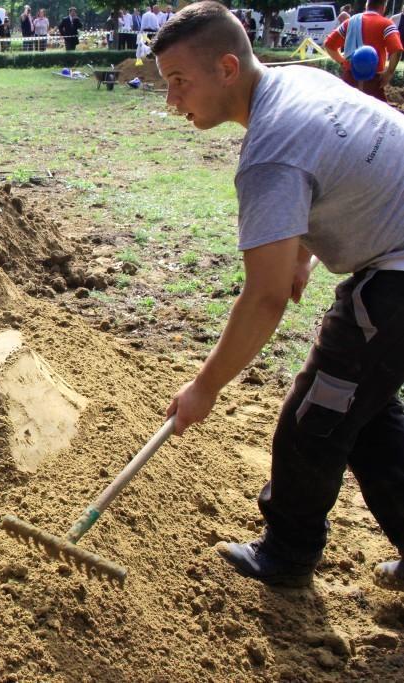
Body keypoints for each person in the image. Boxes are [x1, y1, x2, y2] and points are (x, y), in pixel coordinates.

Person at [154, 1, 404, 591]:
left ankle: (286, 555)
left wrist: (205, 386)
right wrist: (302, 252)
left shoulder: (269, 154)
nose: (171, 100)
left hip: (397, 274)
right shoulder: (297, 80)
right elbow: (349, 165)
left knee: (313, 417)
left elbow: (263, 301)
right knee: (360, 415)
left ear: (227, 68)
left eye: (179, 82)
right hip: (393, 258)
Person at [325, 0, 402, 102]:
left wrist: (343, 62)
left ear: (366, 5)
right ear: (384, 6)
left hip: (349, 78)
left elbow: (329, 44)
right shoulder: (387, 24)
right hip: (373, 81)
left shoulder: (350, 22)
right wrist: (389, 72)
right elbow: (397, 49)